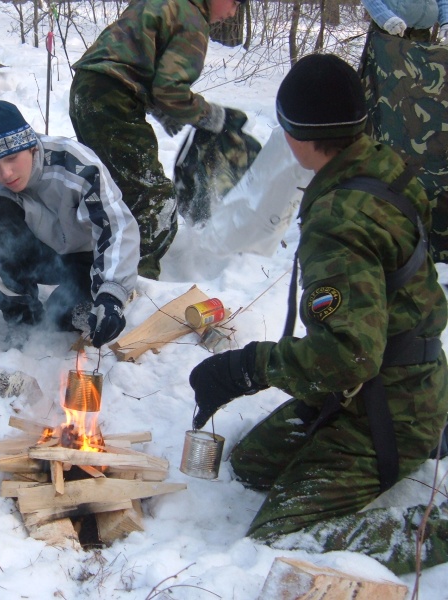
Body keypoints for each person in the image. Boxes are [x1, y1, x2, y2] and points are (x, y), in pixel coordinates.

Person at [188, 54, 448, 575]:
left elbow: (347, 356)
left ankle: (433, 532)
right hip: (374, 382)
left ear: (301, 136)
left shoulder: (339, 224)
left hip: (388, 407)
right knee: (249, 464)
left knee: (280, 545)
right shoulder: (376, 164)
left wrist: (247, 368)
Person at [68, 0, 244, 279]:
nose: (233, 12)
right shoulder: (193, 19)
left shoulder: (164, 3)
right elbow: (169, 88)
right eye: (235, 3)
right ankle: (134, 284)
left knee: (112, 189)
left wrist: (160, 107)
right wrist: (207, 114)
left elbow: (135, 56)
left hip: (87, 89)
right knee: (154, 197)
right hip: (111, 98)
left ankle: (89, 266)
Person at [0, 100, 139, 348]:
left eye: (12, 158)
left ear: (31, 145)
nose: (6, 174)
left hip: (83, 258)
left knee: (67, 317)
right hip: (32, 256)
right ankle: (21, 311)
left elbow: (116, 228)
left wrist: (112, 294)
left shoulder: (76, 165)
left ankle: (93, 294)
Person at [358, 0, 448, 262]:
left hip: (421, 37)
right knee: (389, 116)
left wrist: (445, 20)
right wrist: (385, 17)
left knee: (424, 109)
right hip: (388, 36)